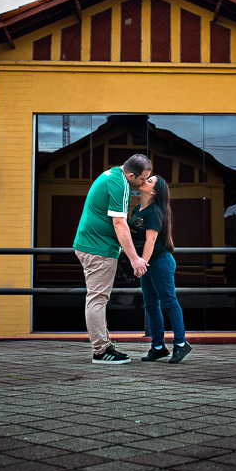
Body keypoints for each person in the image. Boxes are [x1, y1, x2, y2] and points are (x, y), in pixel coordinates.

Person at [74, 154, 151, 364]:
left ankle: (104, 346)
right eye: (143, 179)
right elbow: (119, 223)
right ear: (132, 175)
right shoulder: (121, 185)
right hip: (98, 249)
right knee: (97, 299)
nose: (144, 183)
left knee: (97, 298)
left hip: (93, 245)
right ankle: (101, 351)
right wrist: (134, 258)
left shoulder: (112, 175)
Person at [130, 175, 192, 364]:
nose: (144, 181)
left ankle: (181, 344)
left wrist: (141, 264)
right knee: (151, 305)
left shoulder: (153, 212)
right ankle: (158, 347)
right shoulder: (137, 210)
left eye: (149, 181)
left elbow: (151, 240)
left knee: (169, 302)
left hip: (159, 262)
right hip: (148, 263)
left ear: (154, 191)